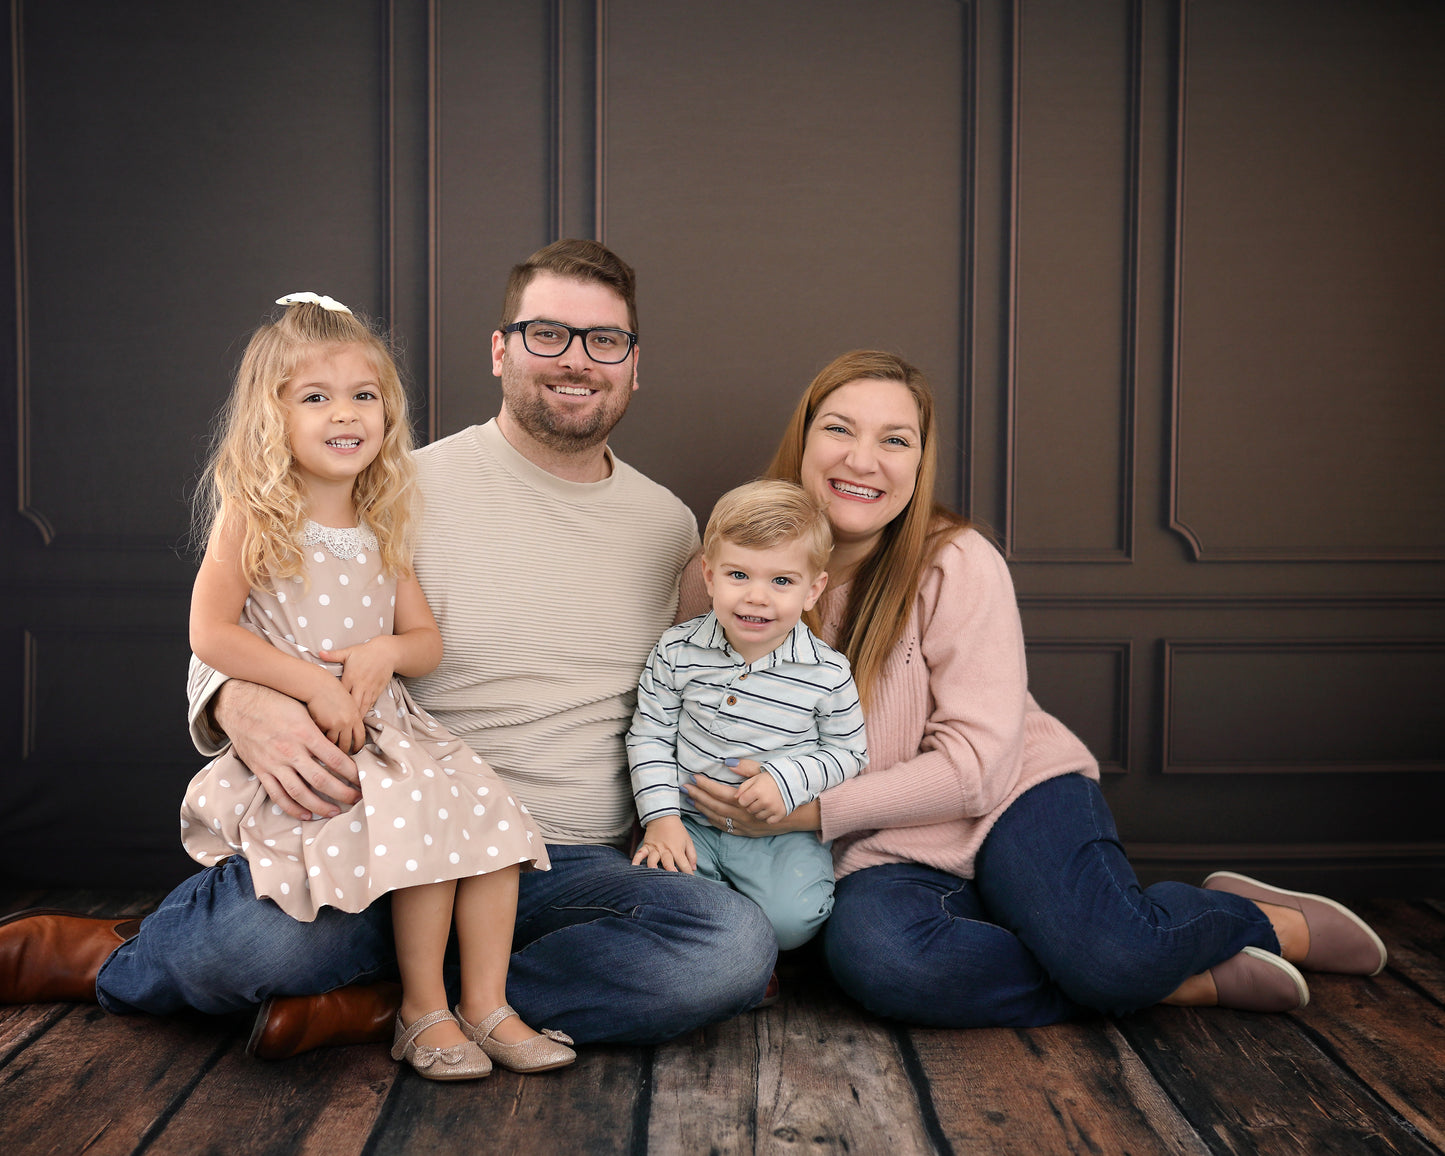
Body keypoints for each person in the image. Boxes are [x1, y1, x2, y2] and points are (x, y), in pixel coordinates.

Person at [0, 241, 776, 1056]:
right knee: (251, 946)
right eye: (547, 334)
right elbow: (248, 617)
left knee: (728, 947)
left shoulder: (669, 528)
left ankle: (382, 1006)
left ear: (633, 364)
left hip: (569, 866)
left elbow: (700, 686)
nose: (576, 361)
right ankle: (117, 959)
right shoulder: (391, 482)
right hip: (393, 839)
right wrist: (240, 699)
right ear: (500, 349)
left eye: (603, 340)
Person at [687, 349, 1388, 1026]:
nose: (862, 460)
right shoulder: (721, 572)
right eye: (838, 428)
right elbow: (683, 720)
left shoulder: (954, 562)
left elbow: (976, 770)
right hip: (878, 845)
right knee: (886, 963)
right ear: (802, 439)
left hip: (1013, 798)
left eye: (894, 439)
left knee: (1112, 955)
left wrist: (803, 810)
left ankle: (1256, 923)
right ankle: (1166, 979)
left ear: (917, 463)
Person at [179, 292, 571, 1079]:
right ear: (272, 416)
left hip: (388, 720)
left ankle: (487, 1007)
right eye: (315, 398)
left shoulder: (382, 522)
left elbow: (427, 642)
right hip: (319, 729)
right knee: (422, 834)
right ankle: (421, 1010)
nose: (344, 415)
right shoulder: (256, 518)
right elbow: (211, 635)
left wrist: (386, 652)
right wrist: (309, 686)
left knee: (491, 826)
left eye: (364, 396)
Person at [627, 479, 866, 949]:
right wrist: (661, 818)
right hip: (689, 818)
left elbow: (849, 752)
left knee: (794, 921)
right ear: (710, 576)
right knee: (665, 901)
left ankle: (754, 948)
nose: (757, 596)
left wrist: (787, 780)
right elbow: (649, 735)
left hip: (779, 831)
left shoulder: (827, 671)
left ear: (813, 590)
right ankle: (729, 953)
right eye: (739, 575)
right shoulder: (678, 650)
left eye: (781, 581)